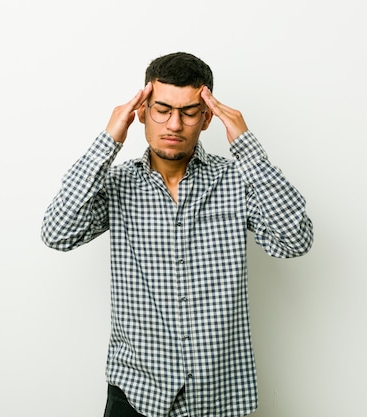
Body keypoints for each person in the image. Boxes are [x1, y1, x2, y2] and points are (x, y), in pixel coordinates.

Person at [41, 52, 313, 417]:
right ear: (141, 112)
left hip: (218, 394)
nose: (174, 124)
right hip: (136, 392)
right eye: (162, 109)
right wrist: (109, 139)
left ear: (206, 119)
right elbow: (57, 232)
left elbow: (295, 240)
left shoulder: (235, 181)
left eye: (188, 112)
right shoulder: (119, 183)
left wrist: (247, 146)